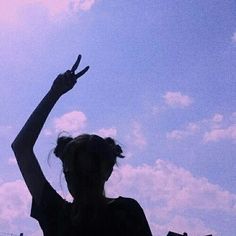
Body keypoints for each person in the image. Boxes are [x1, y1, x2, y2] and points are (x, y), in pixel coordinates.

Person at [11, 55, 153, 236]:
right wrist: (55, 91)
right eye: (79, 174)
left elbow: (21, 148)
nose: (82, 181)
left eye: (86, 174)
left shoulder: (56, 213)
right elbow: (20, 148)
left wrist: (55, 92)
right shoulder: (126, 212)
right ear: (108, 171)